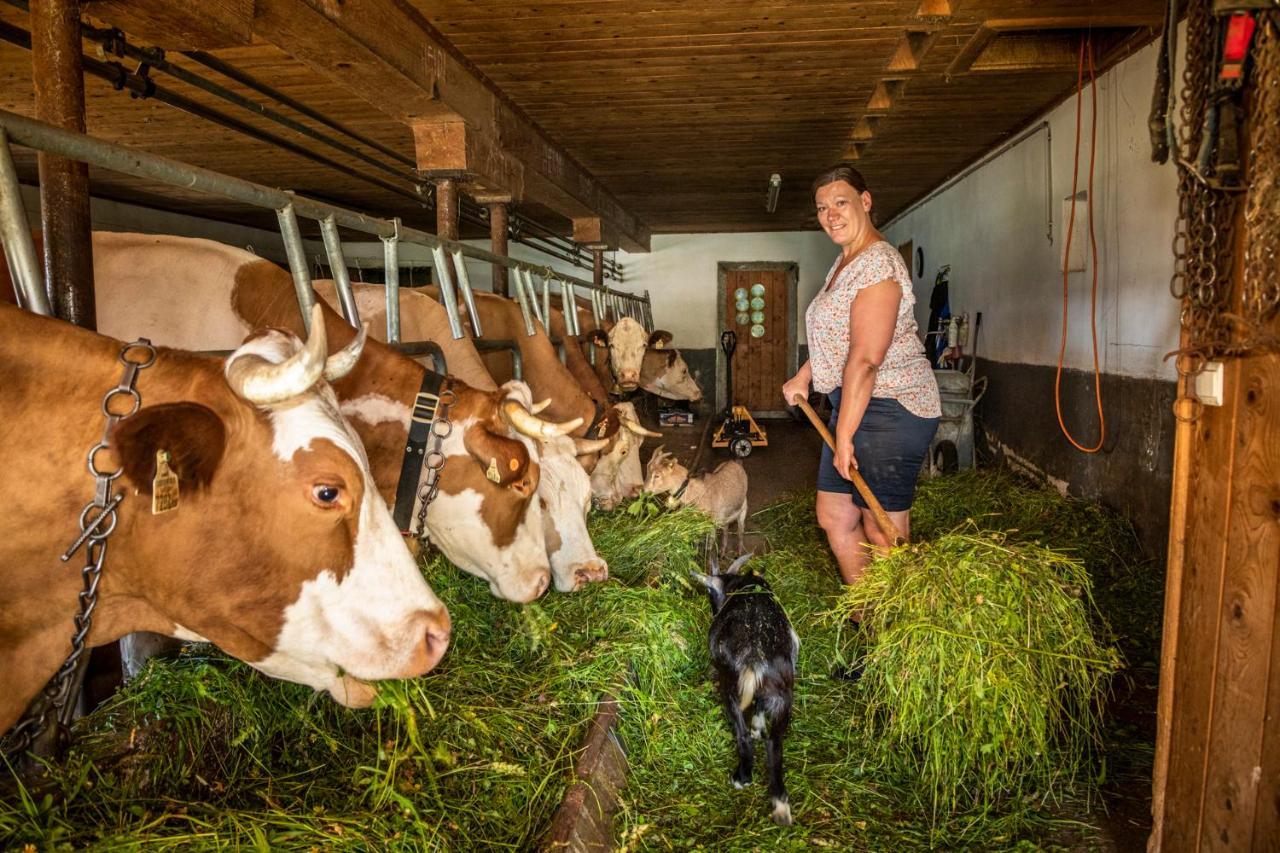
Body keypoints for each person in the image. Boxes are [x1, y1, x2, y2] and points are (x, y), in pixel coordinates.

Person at [782, 164, 940, 592]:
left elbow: (866, 358)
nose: (830, 215)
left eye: (840, 203)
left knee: (883, 531)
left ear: (865, 202)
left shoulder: (879, 265)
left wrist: (845, 434)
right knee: (834, 517)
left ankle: (901, 637)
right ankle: (869, 620)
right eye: (821, 208)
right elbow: (837, 339)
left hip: (892, 407)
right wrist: (804, 376)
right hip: (855, 404)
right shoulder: (845, 262)